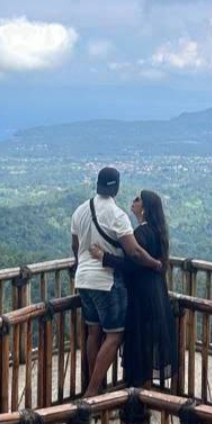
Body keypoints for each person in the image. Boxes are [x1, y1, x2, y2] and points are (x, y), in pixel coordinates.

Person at [71, 167, 162, 397]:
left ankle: (96, 388)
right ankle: (92, 392)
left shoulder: (80, 210)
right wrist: (154, 263)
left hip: (83, 280)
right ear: (116, 188)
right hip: (106, 281)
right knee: (114, 335)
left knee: (94, 333)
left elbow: (75, 246)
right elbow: (134, 252)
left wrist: (80, 266)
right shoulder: (117, 215)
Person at [90, 189, 177, 387]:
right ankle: (146, 390)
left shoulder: (140, 233)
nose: (133, 201)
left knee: (139, 343)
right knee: (147, 342)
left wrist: (104, 257)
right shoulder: (157, 233)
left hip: (141, 293)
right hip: (156, 292)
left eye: (137, 199)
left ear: (144, 208)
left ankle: (137, 392)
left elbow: (132, 263)